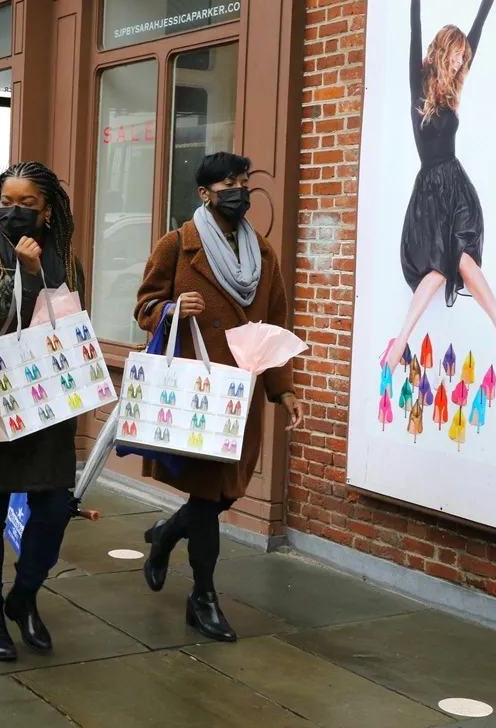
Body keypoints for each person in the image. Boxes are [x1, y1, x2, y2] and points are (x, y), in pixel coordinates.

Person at [135, 151, 305, 642]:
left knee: (225, 493)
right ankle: (203, 596)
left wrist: (285, 389)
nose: (239, 189)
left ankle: (166, 535)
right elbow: (143, 307)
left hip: (240, 394)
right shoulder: (177, 245)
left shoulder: (263, 254)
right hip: (197, 390)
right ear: (205, 192)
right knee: (208, 498)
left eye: (243, 180)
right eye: (228, 182)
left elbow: (273, 326)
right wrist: (170, 307)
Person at [0, 162, 84, 661]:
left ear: (48, 211)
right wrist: (23, 276)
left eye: (28, 204)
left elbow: (72, 324)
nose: (16, 212)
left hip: (47, 401)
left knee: (51, 510)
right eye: (9, 201)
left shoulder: (67, 261)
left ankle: (23, 597)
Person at [381, 0, 496, 382]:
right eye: (456, 55)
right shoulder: (417, 84)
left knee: (460, 260)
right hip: (428, 190)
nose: (461, 62)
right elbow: (412, 30)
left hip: (455, 186)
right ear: (443, 52)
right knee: (443, 268)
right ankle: (402, 340)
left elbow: (479, 23)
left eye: (465, 57)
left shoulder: (454, 88)